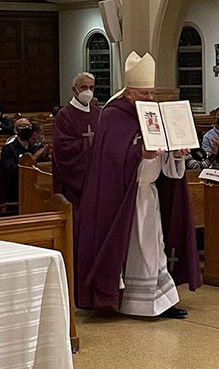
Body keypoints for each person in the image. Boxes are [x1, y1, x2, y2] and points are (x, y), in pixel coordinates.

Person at [77, 51, 201, 319]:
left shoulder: (152, 113)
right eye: (144, 94)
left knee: (155, 246)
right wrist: (139, 154)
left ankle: (160, 301)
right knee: (141, 249)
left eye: (151, 94)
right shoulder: (113, 115)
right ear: (129, 92)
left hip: (149, 193)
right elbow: (111, 158)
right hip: (125, 198)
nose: (150, 99)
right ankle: (136, 303)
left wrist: (175, 154)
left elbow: (164, 156)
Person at [52, 72, 101, 228]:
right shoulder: (64, 115)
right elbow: (62, 148)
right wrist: (88, 144)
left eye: (91, 87)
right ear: (74, 90)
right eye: (84, 87)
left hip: (96, 177)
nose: (88, 91)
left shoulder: (98, 113)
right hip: (74, 181)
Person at [0, 118, 51, 214]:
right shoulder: (8, 149)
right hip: (16, 193)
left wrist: (45, 157)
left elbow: (43, 169)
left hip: (38, 192)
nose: (26, 128)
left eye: (29, 126)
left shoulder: (36, 148)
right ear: (16, 130)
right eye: (23, 126)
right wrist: (34, 157)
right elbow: (11, 171)